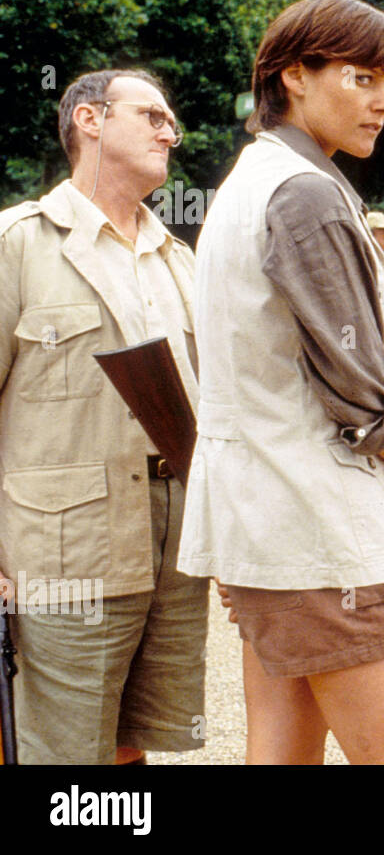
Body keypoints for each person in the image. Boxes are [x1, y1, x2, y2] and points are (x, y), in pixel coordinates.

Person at [177, 0, 384, 765]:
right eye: (362, 78)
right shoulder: (303, 193)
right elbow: (363, 397)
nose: (383, 103)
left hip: (265, 525)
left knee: (281, 752)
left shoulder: (251, 183)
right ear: (293, 76)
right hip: (320, 533)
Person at [0, 68, 207, 764]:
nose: (169, 131)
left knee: (131, 742)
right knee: (61, 753)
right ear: (90, 120)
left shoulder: (177, 257)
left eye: (169, 120)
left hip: (172, 545)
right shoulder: (18, 244)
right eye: (151, 114)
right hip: (64, 551)